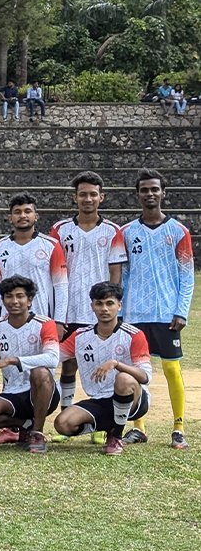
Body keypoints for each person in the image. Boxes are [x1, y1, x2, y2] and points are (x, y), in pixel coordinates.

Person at [120, 168, 193, 448]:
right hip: (134, 314)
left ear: (164, 193)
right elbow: (124, 275)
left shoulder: (178, 231)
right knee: (137, 372)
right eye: (144, 190)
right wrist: (121, 311)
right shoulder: (127, 232)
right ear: (137, 194)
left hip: (166, 314)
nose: (150, 194)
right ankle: (138, 427)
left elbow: (186, 275)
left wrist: (181, 310)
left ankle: (178, 428)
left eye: (155, 189)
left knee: (172, 369)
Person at [49, 171, 125, 418]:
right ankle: (66, 412)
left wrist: (110, 306)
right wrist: (57, 313)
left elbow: (116, 272)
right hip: (70, 308)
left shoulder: (113, 231)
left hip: (100, 310)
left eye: (93, 194)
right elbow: (55, 272)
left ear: (101, 197)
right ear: (75, 198)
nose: (88, 199)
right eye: (83, 194)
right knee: (68, 363)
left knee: (103, 364)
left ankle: (102, 420)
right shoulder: (60, 230)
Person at [53, 282, 152, 455]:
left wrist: (117, 364)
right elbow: (53, 357)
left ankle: (116, 437)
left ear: (119, 306)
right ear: (92, 306)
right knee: (62, 424)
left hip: (134, 400)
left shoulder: (133, 335)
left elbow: (145, 376)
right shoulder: (80, 336)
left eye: (109, 303)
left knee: (123, 378)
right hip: (99, 399)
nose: (104, 309)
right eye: (99, 303)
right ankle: (109, 423)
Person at [0, 276, 61, 454]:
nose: (14, 301)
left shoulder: (44, 323)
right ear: (3, 300)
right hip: (13, 392)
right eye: (9, 296)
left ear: (29, 300)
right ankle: (26, 426)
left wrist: (12, 360)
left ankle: (37, 433)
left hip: (44, 391)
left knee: (40, 373)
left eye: (20, 296)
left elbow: (53, 358)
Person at [0, 192, 69, 329]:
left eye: (27, 211)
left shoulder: (51, 246)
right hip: (7, 320)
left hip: (42, 318)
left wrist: (59, 321)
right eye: (17, 212)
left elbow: (61, 285)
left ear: (36, 216)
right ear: (10, 218)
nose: (22, 216)